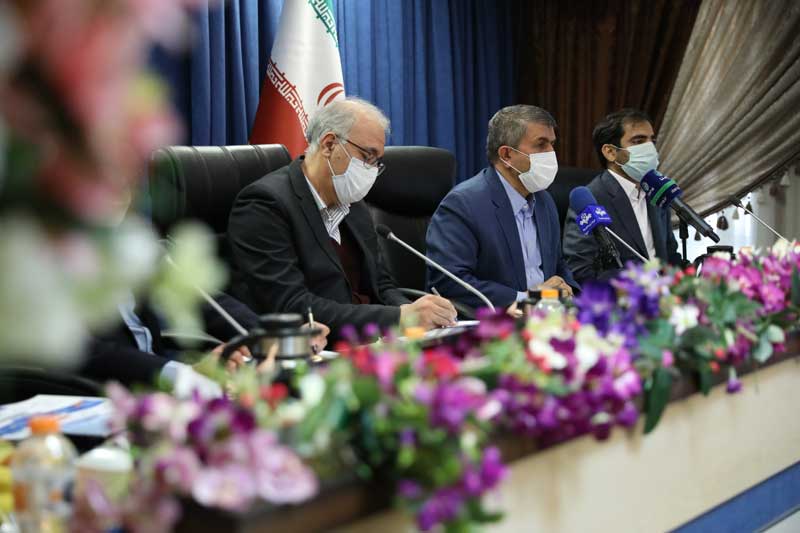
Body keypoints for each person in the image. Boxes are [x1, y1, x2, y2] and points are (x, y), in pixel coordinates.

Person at [227, 97, 457, 339]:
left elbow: (380, 285)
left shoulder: (354, 204)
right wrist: (399, 318)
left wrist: (418, 315)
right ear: (329, 145)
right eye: (367, 156)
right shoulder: (265, 205)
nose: (371, 170)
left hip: (372, 342)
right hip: (317, 347)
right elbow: (292, 305)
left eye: (376, 162)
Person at [425, 104, 578, 310]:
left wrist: (566, 290)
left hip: (547, 315)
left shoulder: (544, 201)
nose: (551, 153)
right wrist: (528, 299)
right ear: (506, 155)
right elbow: (450, 282)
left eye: (552, 144)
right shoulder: (463, 204)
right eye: (541, 144)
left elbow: (558, 264)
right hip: (496, 320)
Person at [80, 293, 331, 390]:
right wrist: (185, 374)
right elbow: (89, 350)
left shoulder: (132, 245)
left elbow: (202, 300)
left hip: (162, 387)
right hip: (98, 394)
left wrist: (278, 337)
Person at [562, 108, 683, 284]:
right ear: (610, 152)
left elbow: (670, 253)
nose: (650, 148)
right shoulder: (590, 199)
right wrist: (637, 286)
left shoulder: (656, 191)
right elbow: (580, 269)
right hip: (622, 298)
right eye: (638, 141)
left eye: (652, 140)